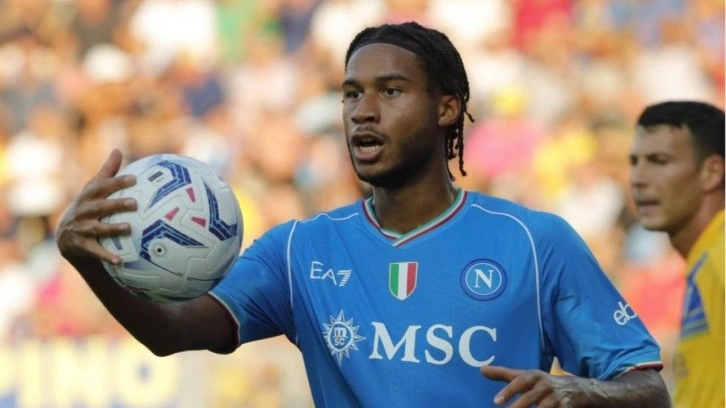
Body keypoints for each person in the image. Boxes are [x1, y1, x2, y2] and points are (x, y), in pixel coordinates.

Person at [56, 22, 671, 407]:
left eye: (391, 91)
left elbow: (648, 387)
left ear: (446, 108)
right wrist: (89, 262)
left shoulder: (536, 243)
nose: (362, 111)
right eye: (351, 94)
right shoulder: (299, 251)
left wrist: (580, 390)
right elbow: (173, 333)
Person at [629, 101, 724, 408]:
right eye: (635, 162)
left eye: (659, 161)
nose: (638, 178)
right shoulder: (705, 259)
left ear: (711, 173)